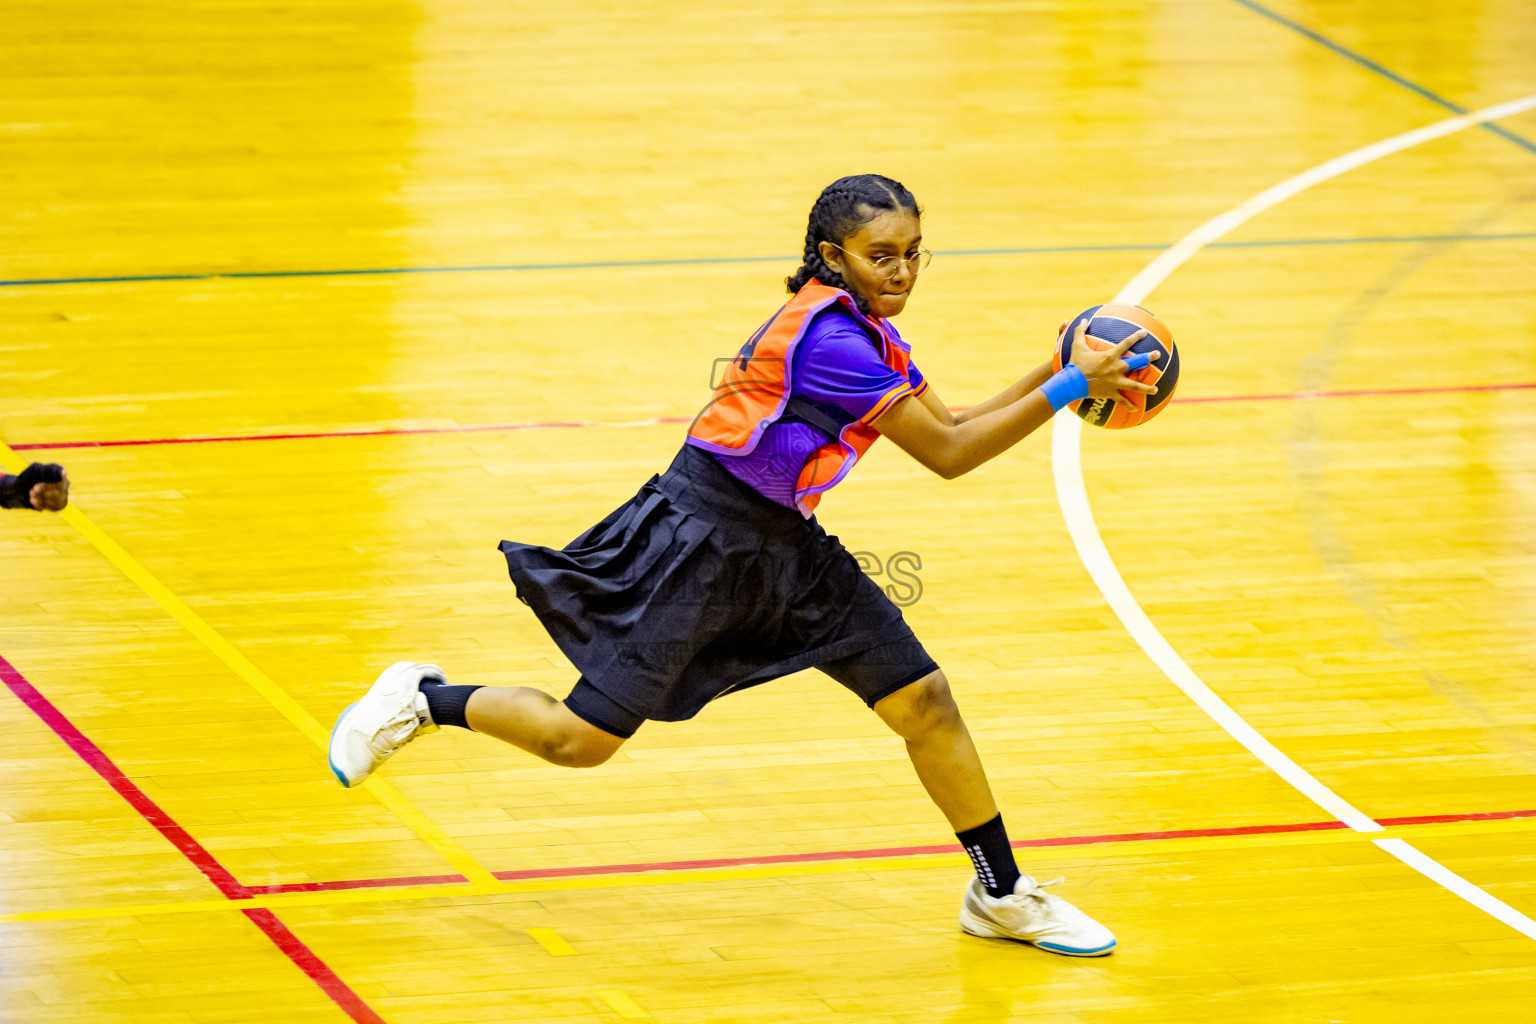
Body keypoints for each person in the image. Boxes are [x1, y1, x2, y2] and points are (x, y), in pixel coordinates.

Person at [328, 174, 1156, 957]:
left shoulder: (870, 327)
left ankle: (1001, 894)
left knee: (926, 702)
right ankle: (424, 700)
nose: (902, 271)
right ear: (834, 257)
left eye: (913, 252)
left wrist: (1058, 368)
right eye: (882, 255)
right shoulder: (832, 342)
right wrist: (1070, 387)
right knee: (579, 742)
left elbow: (959, 416)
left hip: (789, 550)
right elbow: (948, 455)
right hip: (702, 542)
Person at [0, 462, 69, 511]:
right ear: (41, 484)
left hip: (3, 502)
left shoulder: (41, 504)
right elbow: (37, 469)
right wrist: (58, 471)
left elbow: (59, 505)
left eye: (36, 501)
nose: (31, 500)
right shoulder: (27, 480)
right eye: (34, 495)